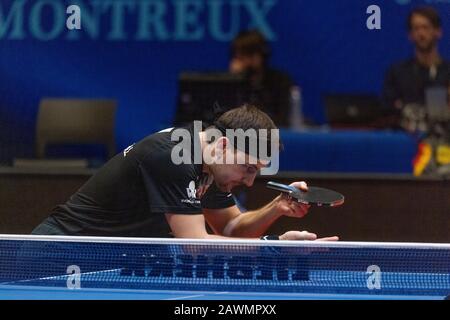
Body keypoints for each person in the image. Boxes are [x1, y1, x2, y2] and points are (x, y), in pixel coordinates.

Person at [32, 105, 338, 241]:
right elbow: (195, 243)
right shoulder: (175, 155)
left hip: (102, 262)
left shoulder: (211, 165)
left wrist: (276, 207)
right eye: (248, 169)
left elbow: (230, 229)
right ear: (221, 146)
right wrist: (275, 247)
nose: (248, 181)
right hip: (57, 254)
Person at [382, 6, 450, 127]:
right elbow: (388, 111)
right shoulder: (397, 73)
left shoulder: (447, 72)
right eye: (416, 28)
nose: (421, 33)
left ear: (438, 32)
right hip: (406, 140)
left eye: (425, 27)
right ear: (410, 35)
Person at [229, 30, 294, 127]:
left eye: (250, 54)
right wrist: (234, 79)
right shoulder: (230, 84)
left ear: (262, 54)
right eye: (240, 56)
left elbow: (282, 119)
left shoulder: (280, 81)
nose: (246, 60)